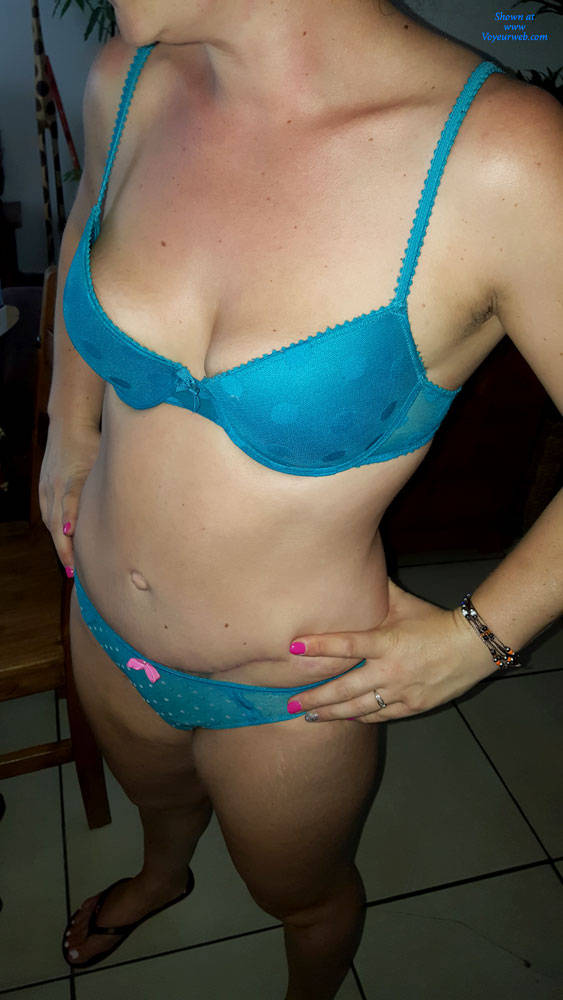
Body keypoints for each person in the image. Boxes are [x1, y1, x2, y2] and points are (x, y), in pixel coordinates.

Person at [40, 1, 562, 996]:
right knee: (160, 811)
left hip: (289, 697)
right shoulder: (128, 80)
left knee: (305, 898)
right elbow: (83, 230)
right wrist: (70, 425)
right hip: (100, 622)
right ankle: (161, 877)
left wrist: (480, 638)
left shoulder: (500, 159)